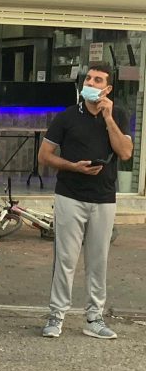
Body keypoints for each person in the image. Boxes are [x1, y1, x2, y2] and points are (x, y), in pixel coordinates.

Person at [38, 62, 133, 340]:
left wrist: (108, 118)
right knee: (65, 259)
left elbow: (125, 153)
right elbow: (44, 156)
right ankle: (56, 315)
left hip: (104, 198)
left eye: (97, 80)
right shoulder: (67, 117)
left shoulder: (119, 115)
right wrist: (73, 166)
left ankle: (94, 317)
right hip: (70, 195)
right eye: (88, 79)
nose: (90, 84)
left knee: (98, 260)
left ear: (108, 88)